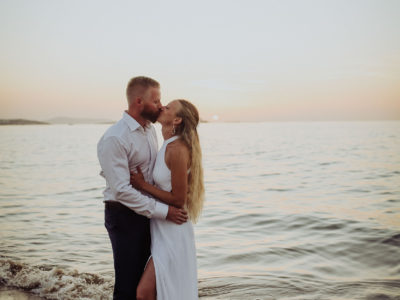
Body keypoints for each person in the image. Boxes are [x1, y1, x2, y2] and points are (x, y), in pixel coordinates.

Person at [97, 76, 188, 300]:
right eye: (156, 101)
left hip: (150, 215)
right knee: (128, 286)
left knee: (149, 286)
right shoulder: (115, 138)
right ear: (139, 102)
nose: (160, 105)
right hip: (124, 215)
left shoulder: (150, 130)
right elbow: (121, 190)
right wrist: (165, 211)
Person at [130, 99, 205, 300]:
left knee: (145, 292)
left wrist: (142, 185)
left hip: (173, 232)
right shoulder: (167, 144)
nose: (162, 107)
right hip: (161, 229)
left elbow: (179, 199)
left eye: (168, 107)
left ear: (177, 120)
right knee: (161, 291)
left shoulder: (177, 149)